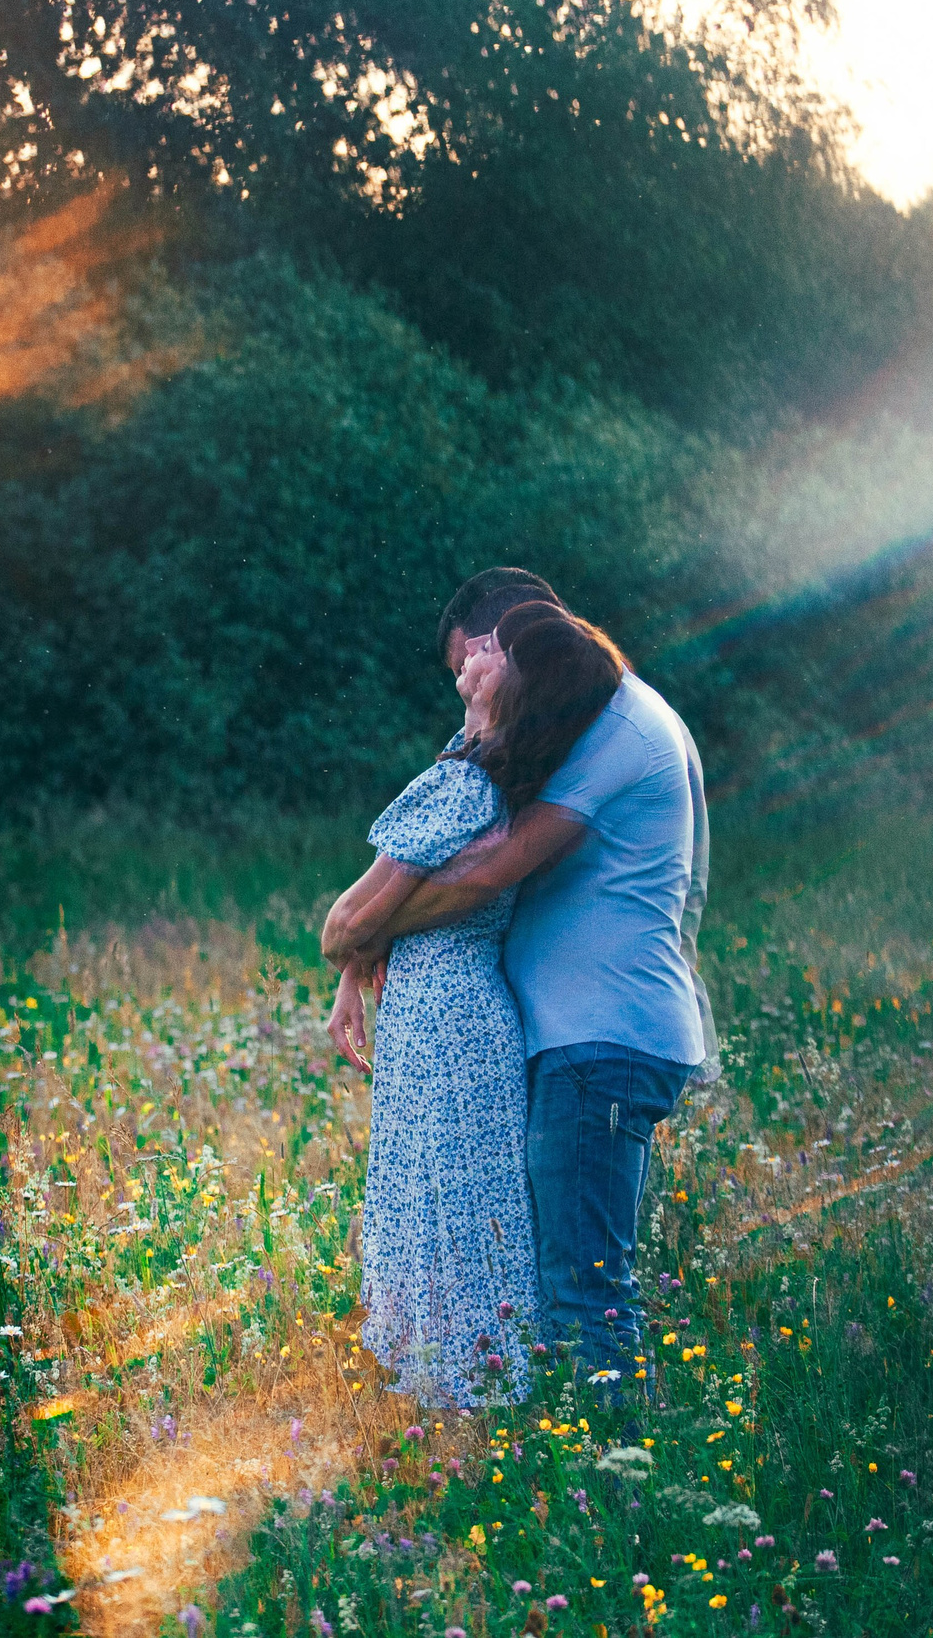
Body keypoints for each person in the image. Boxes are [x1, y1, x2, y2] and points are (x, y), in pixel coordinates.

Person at [325, 571, 711, 1394]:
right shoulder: (601, 716)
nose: (472, 689)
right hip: (583, 1035)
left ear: (509, 645)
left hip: (603, 1038)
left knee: (585, 1288)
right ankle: (590, 1459)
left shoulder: (618, 729)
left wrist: (363, 934)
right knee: (561, 1278)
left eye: (475, 668)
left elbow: (486, 869)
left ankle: (618, 1484)